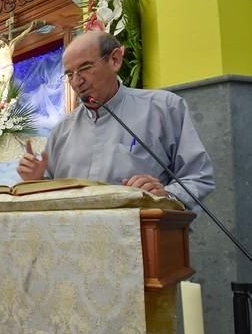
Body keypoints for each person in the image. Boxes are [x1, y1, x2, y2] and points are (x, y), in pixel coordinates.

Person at [16, 31, 215, 211]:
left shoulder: (164, 108)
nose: (77, 81)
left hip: (144, 239)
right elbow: (51, 194)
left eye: (85, 68)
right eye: (69, 74)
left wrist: (166, 196)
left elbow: (198, 176)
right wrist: (35, 180)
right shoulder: (62, 130)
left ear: (115, 60)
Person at [0, 20, 41, 90]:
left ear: (3, 40)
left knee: (6, 83)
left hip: (8, 66)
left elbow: (22, 35)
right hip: (1, 68)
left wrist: (30, 27)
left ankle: (5, 98)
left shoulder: (11, 45)